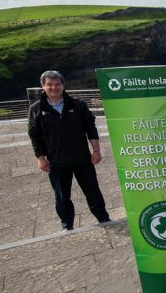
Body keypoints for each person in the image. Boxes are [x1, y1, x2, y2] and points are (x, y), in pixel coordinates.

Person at [27, 70, 110, 231]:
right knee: (62, 196)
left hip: (82, 158)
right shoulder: (36, 109)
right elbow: (34, 135)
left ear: (63, 85)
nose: (54, 87)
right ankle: (67, 225)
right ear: (43, 86)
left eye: (57, 84)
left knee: (93, 191)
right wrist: (40, 158)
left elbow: (90, 129)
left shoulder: (78, 105)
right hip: (56, 162)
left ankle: (103, 218)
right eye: (49, 84)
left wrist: (96, 151)